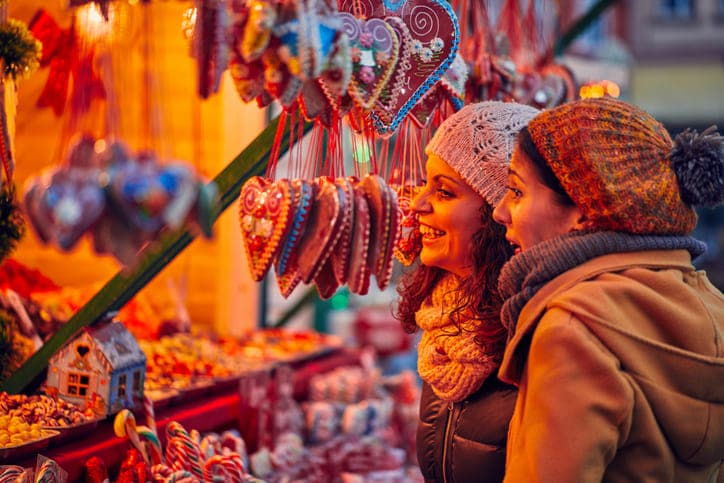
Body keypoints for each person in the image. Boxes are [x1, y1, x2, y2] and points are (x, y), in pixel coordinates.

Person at [492, 96, 724, 482]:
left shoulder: (573, 329)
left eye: (516, 191)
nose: (500, 211)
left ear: (584, 210)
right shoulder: (710, 303)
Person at [394, 100, 539, 482]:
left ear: (500, 214)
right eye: (425, 186)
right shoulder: (443, 326)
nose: (418, 205)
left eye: (444, 193)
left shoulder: (536, 334)